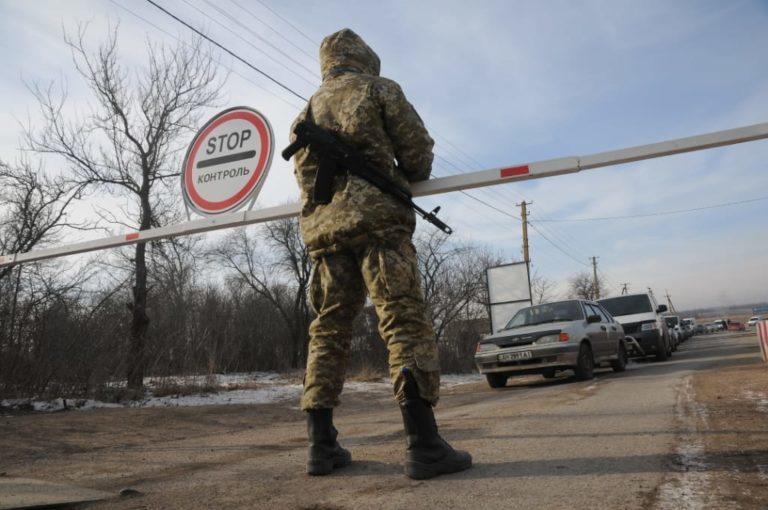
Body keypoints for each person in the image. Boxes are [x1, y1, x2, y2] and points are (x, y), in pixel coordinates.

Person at [288, 28, 471, 480]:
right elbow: (418, 157)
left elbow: (308, 183)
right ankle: (424, 444)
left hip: (325, 238)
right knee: (402, 321)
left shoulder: (304, 113)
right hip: (379, 229)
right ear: (364, 58)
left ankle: (320, 445)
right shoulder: (380, 89)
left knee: (327, 330)